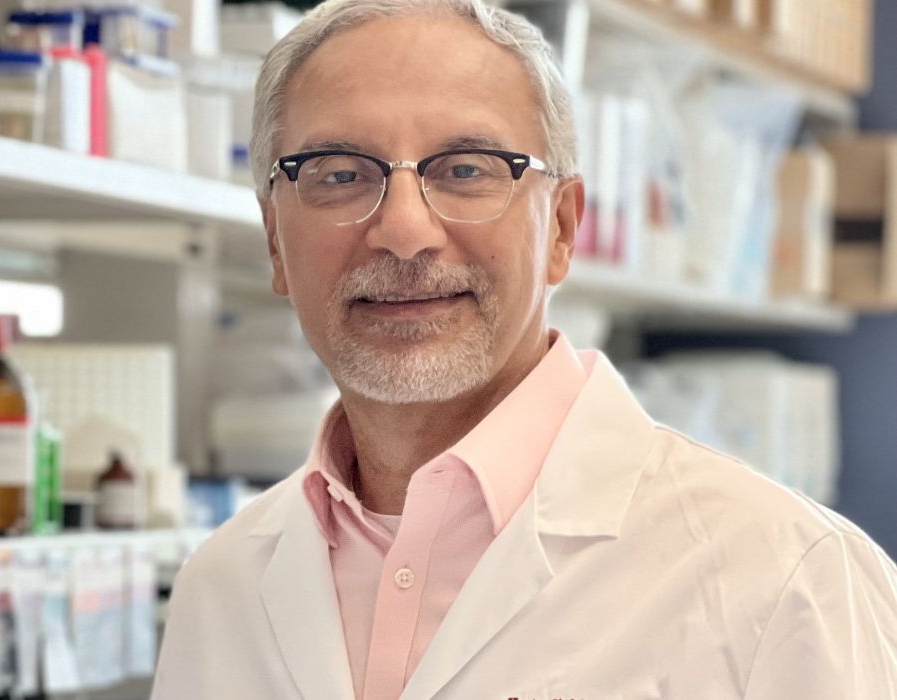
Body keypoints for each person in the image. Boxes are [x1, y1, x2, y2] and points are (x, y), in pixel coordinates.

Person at [150, 1, 897, 698]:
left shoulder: (787, 581)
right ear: (275, 241)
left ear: (563, 228)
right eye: (339, 175)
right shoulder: (220, 588)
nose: (404, 230)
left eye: (466, 170)